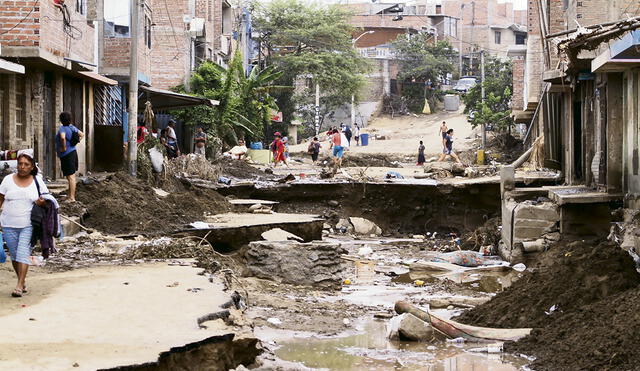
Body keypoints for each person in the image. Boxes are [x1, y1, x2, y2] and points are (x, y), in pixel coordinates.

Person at [0, 153, 48, 297]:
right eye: (20, 163)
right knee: (15, 256)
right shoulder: (7, 180)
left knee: (23, 253)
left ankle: (19, 286)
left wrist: (42, 202)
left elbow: (47, 199)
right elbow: (0, 199)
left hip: (28, 224)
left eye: (26, 164)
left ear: (32, 167)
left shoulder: (37, 181)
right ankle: (22, 280)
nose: (22, 167)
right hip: (8, 224)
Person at [56, 111, 83, 202]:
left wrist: (64, 148)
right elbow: (82, 134)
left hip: (67, 155)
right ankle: (69, 196)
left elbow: (62, 137)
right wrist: (74, 143)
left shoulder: (62, 128)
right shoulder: (72, 127)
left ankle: (72, 198)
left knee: (71, 177)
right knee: (69, 176)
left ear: (61, 120)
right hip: (72, 153)